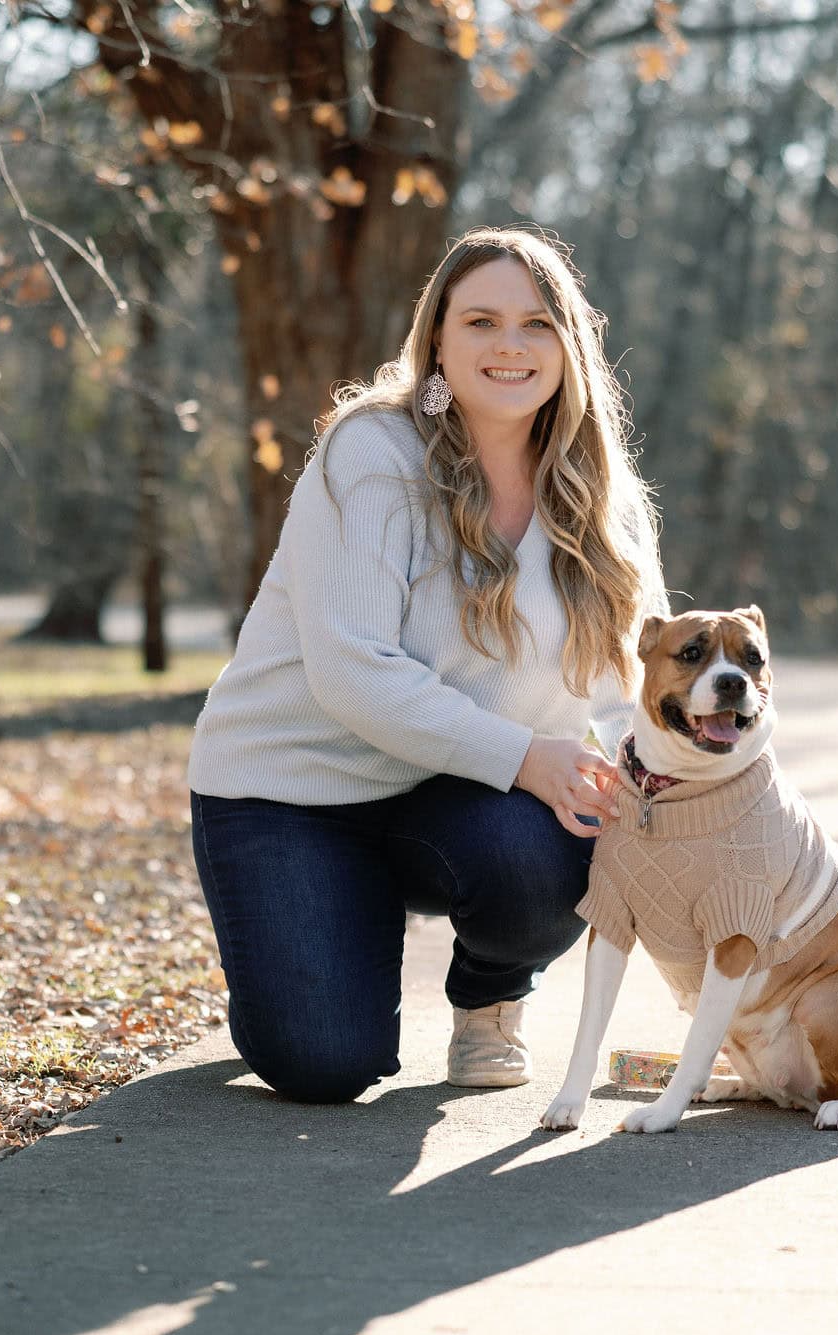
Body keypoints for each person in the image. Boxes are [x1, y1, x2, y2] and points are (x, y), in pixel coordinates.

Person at [186, 224, 668, 1104]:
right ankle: (293, 955)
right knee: (324, 1064)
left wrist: (686, 805)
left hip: (451, 798)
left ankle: (489, 999)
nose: (510, 345)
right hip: (292, 790)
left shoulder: (603, 498)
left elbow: (638, 689)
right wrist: (528, 757)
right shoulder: (373, 454)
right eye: (480, 321)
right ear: (437, 341)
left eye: (537, 323)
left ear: (572, 344)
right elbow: (353, 672)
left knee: (563, 839)